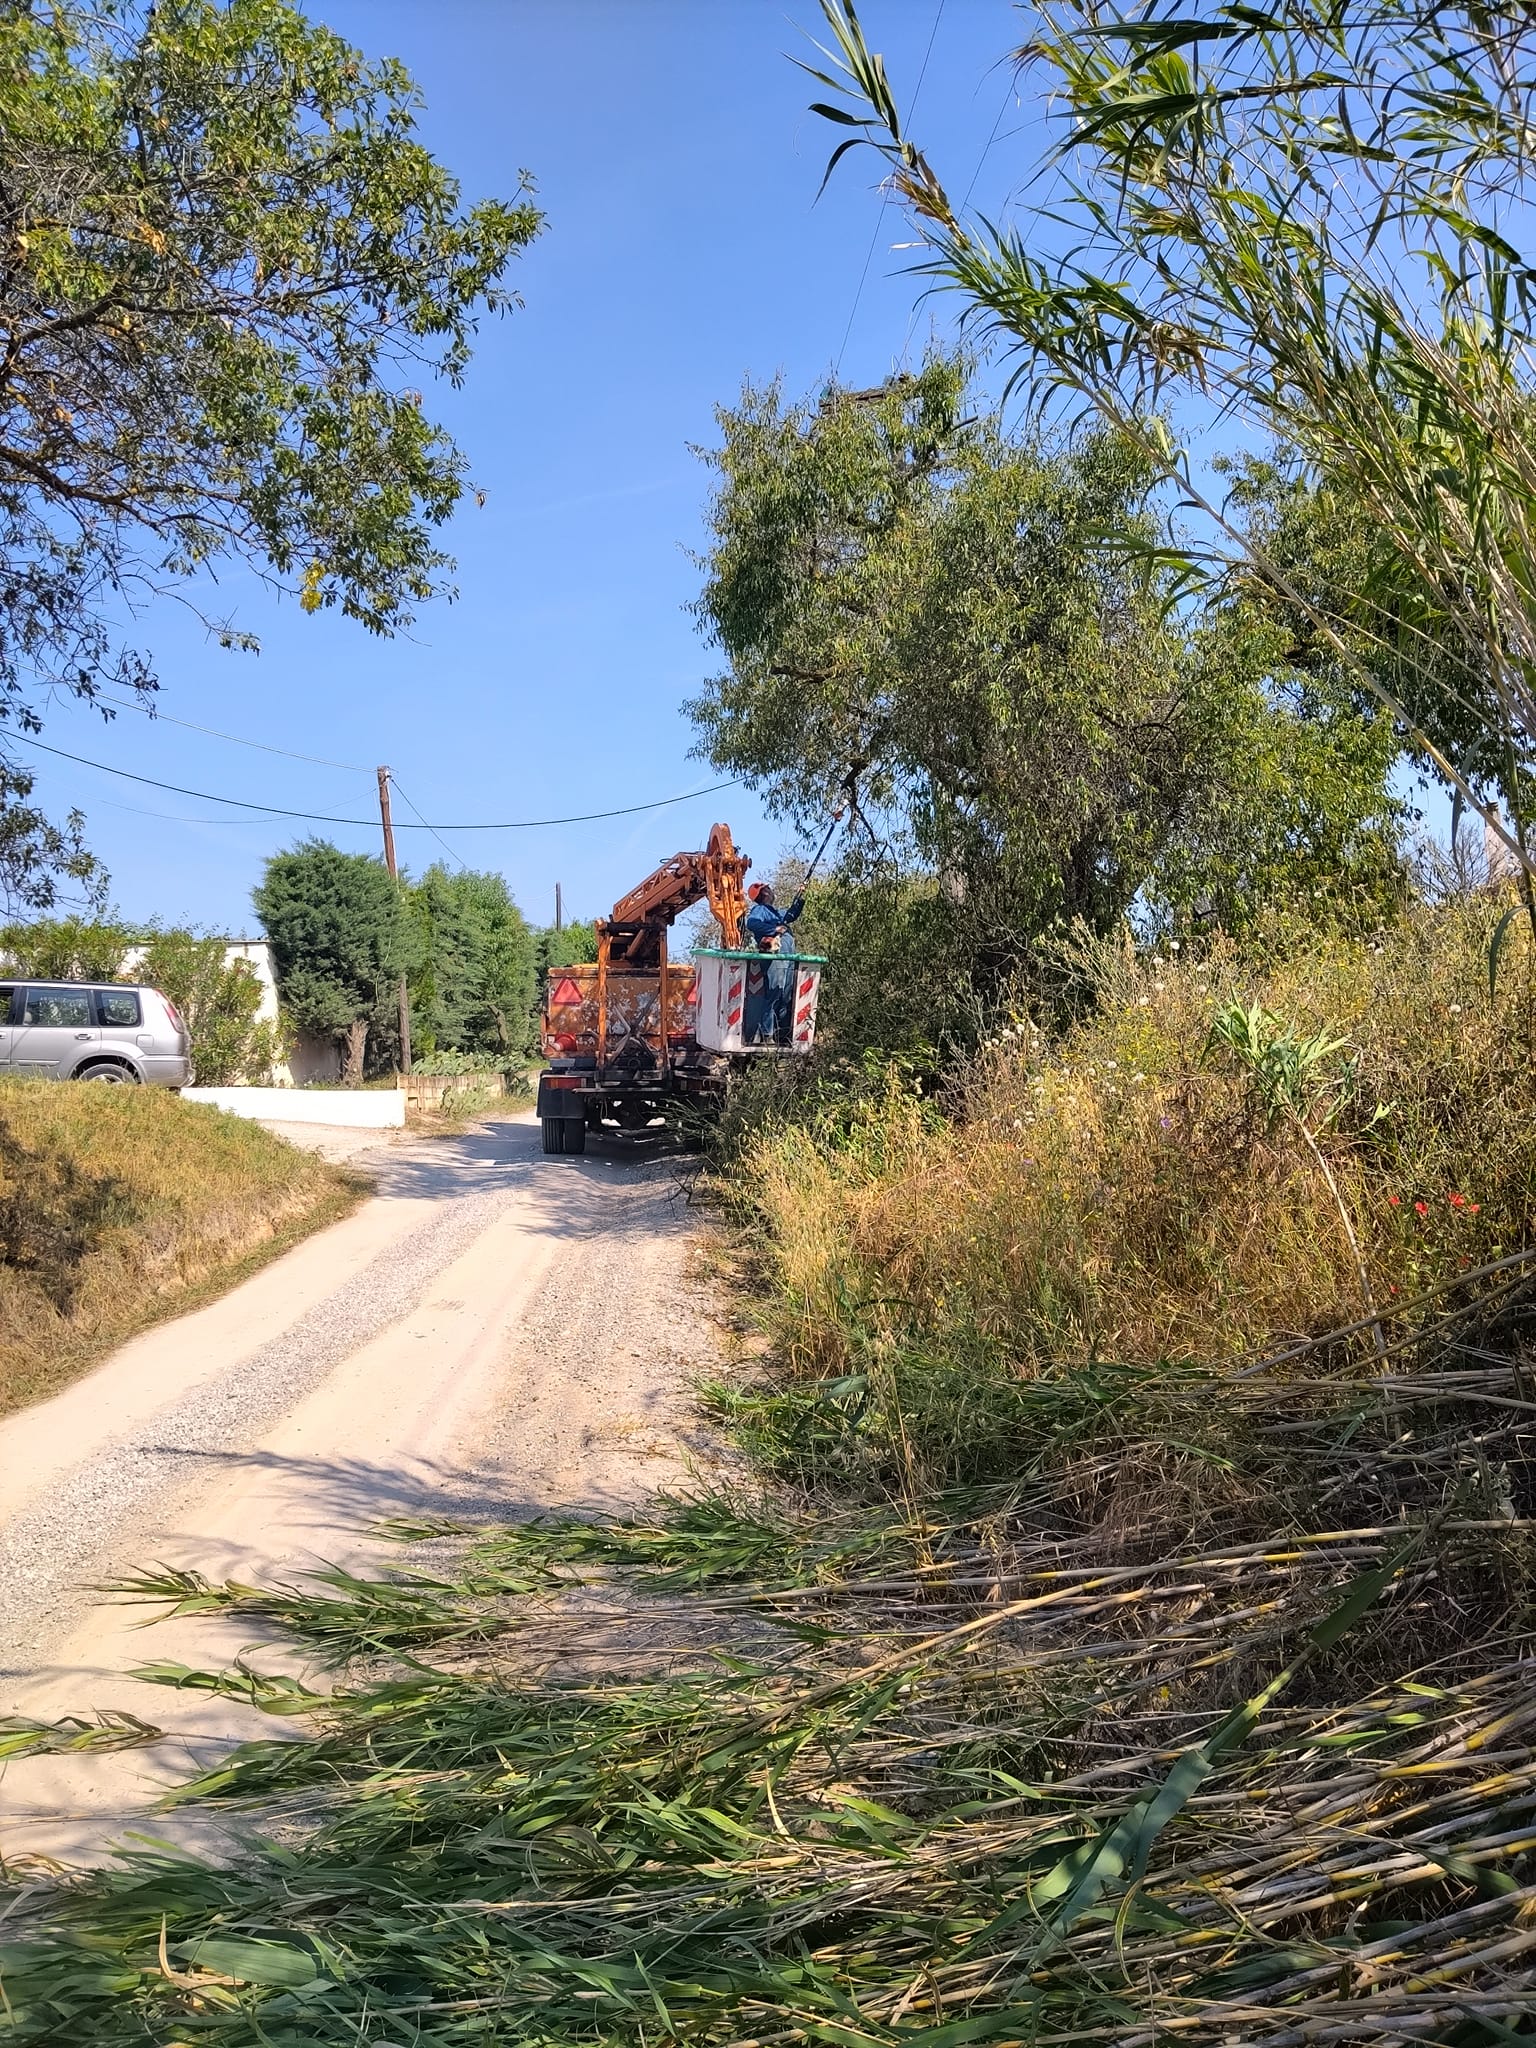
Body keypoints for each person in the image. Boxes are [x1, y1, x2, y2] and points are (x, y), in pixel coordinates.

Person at [744, 884, 803, 1043]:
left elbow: (791, 914)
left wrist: (800, 897)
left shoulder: (775, 912)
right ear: (764, 893)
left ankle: (781, 1035)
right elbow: (752, 924)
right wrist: (774, 929)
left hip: (787, 956)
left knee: (785, 995)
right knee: (775, 993)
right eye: (768, 889)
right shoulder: (760, 910)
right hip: (775, 957)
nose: (772, 890)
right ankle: (767, 1034)